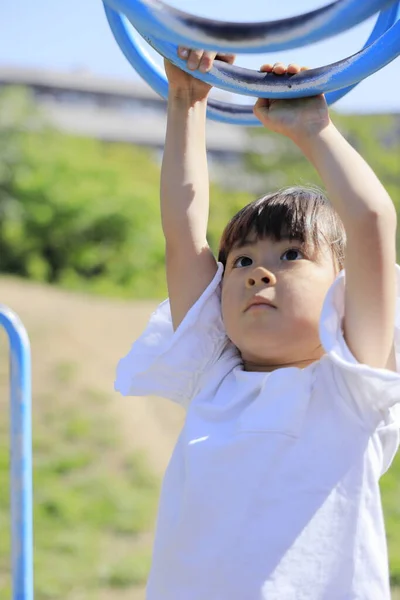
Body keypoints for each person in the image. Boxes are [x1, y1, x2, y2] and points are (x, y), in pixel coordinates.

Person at [115, 48, 400, 600]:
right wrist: (187, 99)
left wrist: (314, 128)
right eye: (241, 261)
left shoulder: (352, 384)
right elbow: (183, 231)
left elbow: (371, 223)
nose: (257, 272)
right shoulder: (211, 373)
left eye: (291, 255)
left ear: (344, 291)